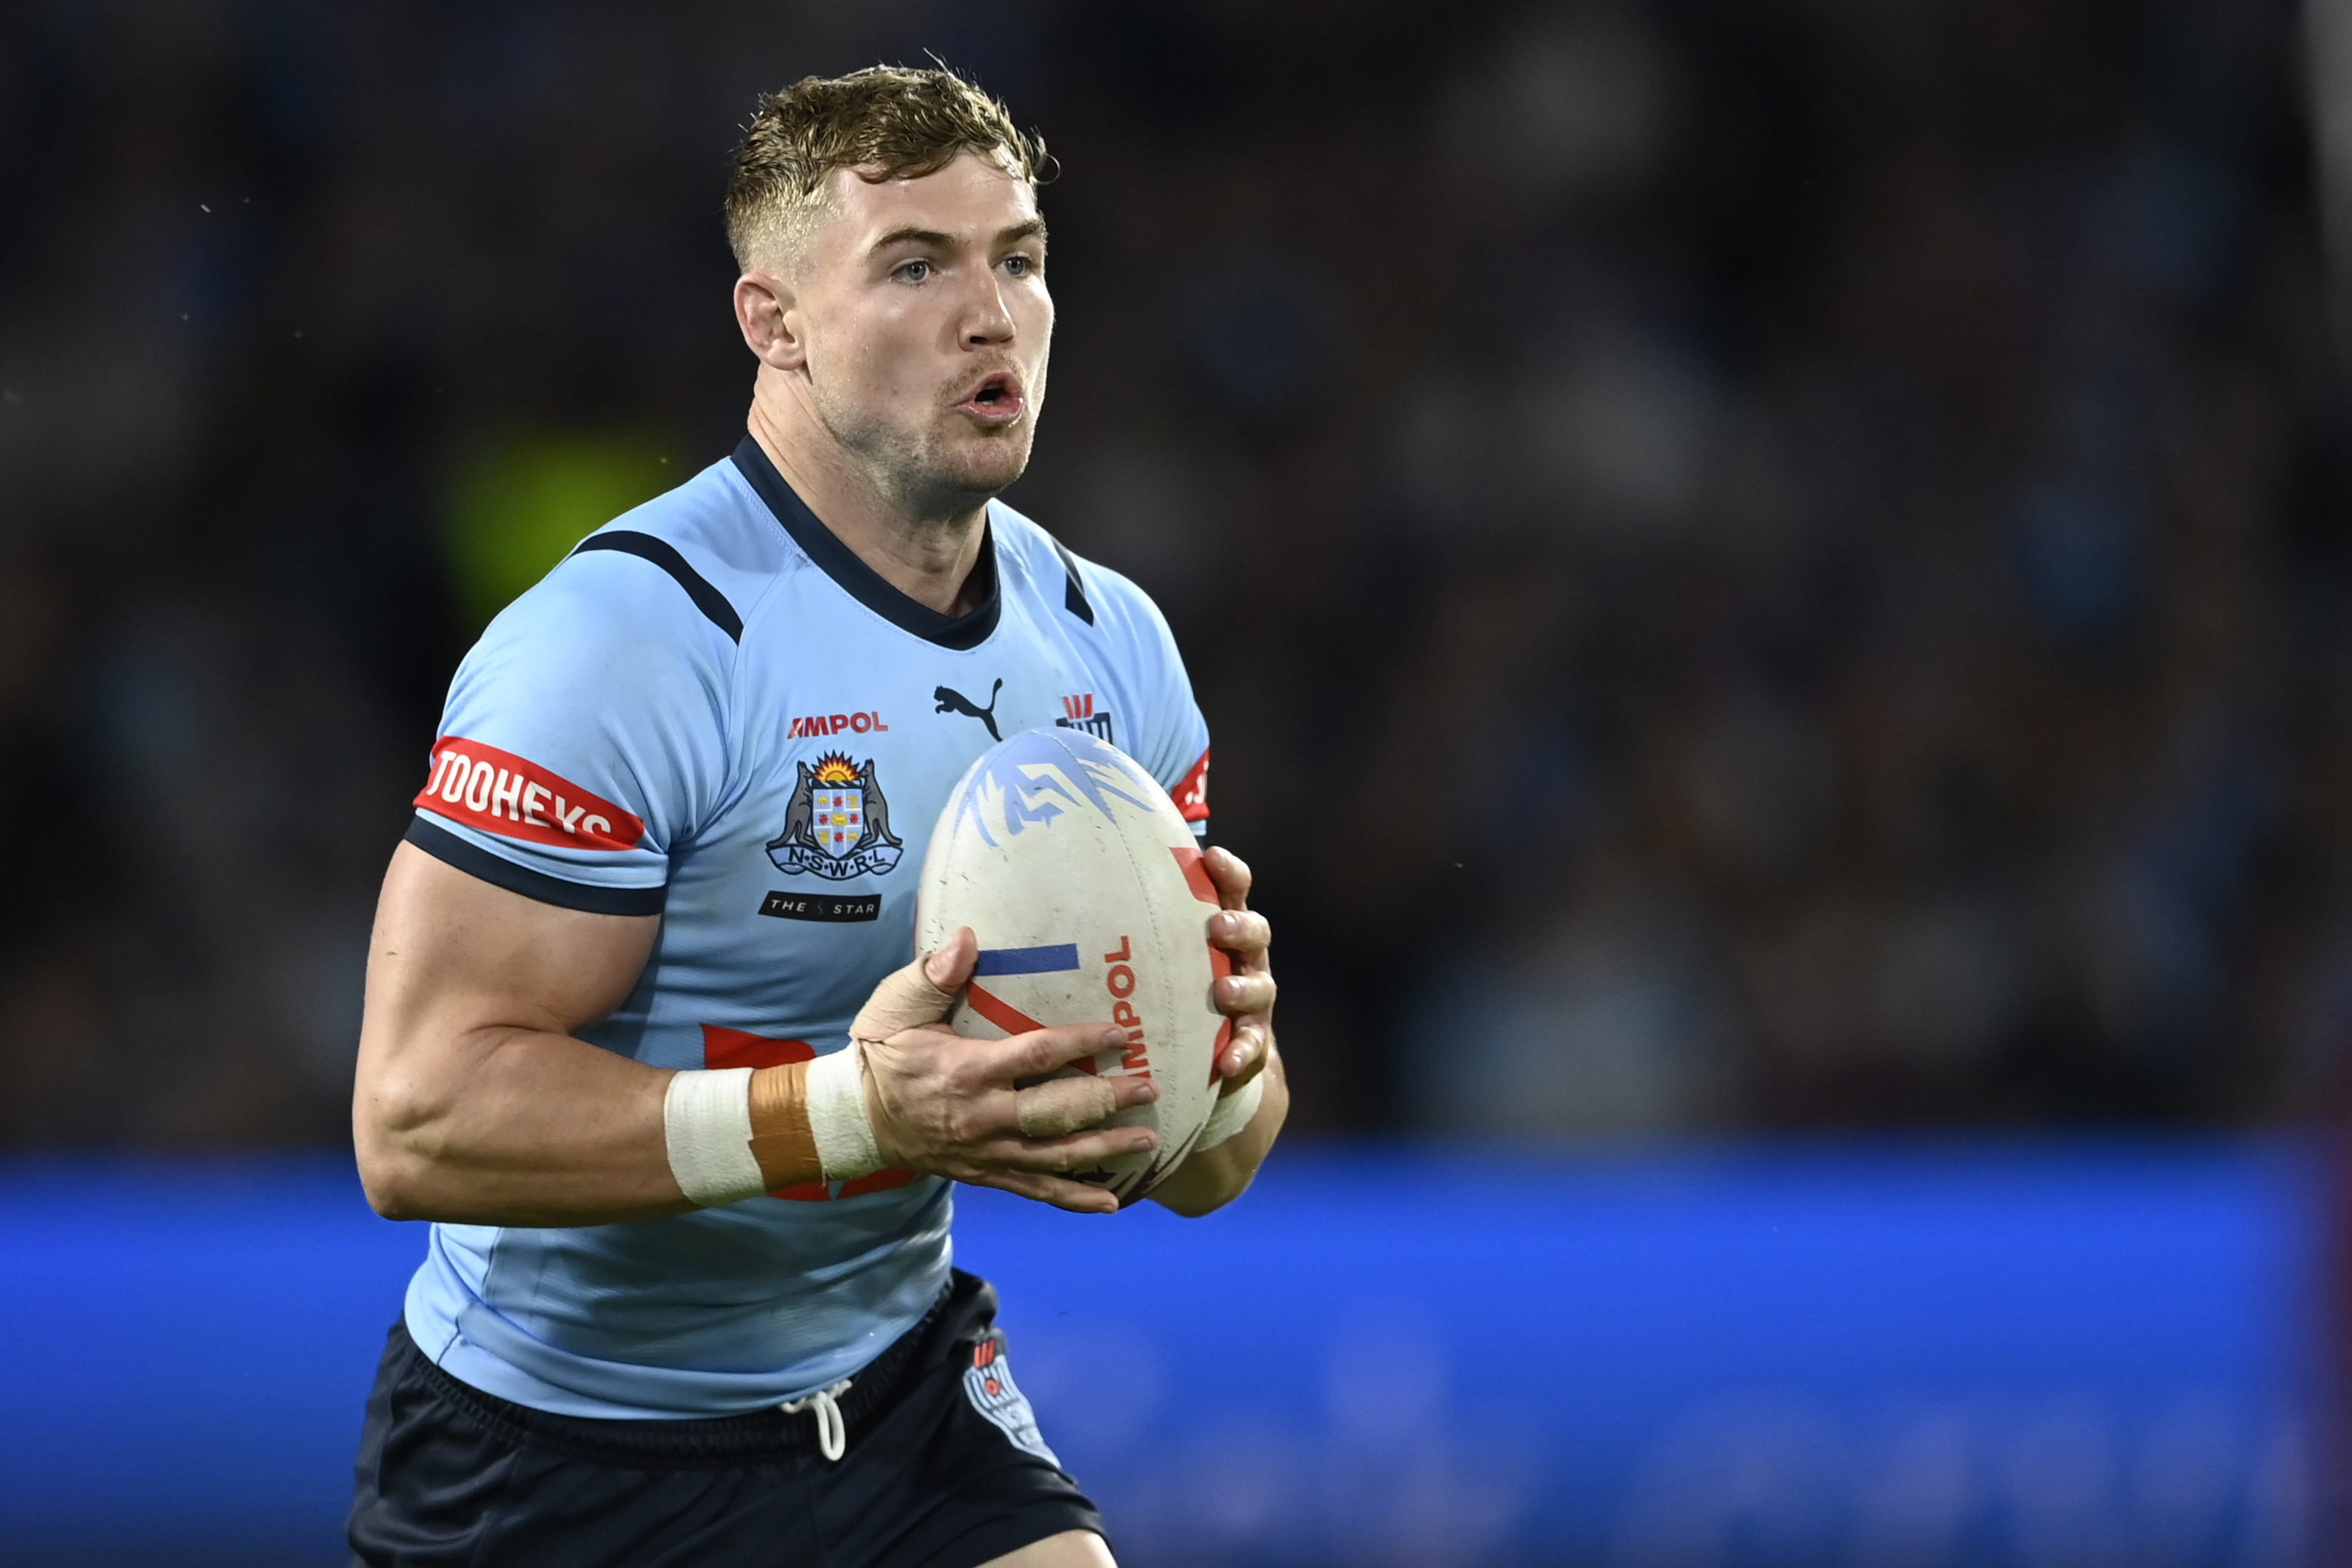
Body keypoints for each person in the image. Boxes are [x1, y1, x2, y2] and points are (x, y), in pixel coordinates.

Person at [345, 64, 1286, 1568]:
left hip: (901, 1406)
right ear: (771, 321)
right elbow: (415, 1121)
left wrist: (1219, 1050)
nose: (991, 317)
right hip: (554, 1456)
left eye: (1020, 262)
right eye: (914, 265)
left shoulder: (1107, 648)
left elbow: (1211, 1169)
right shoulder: (625, 646)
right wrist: (855, 1113)